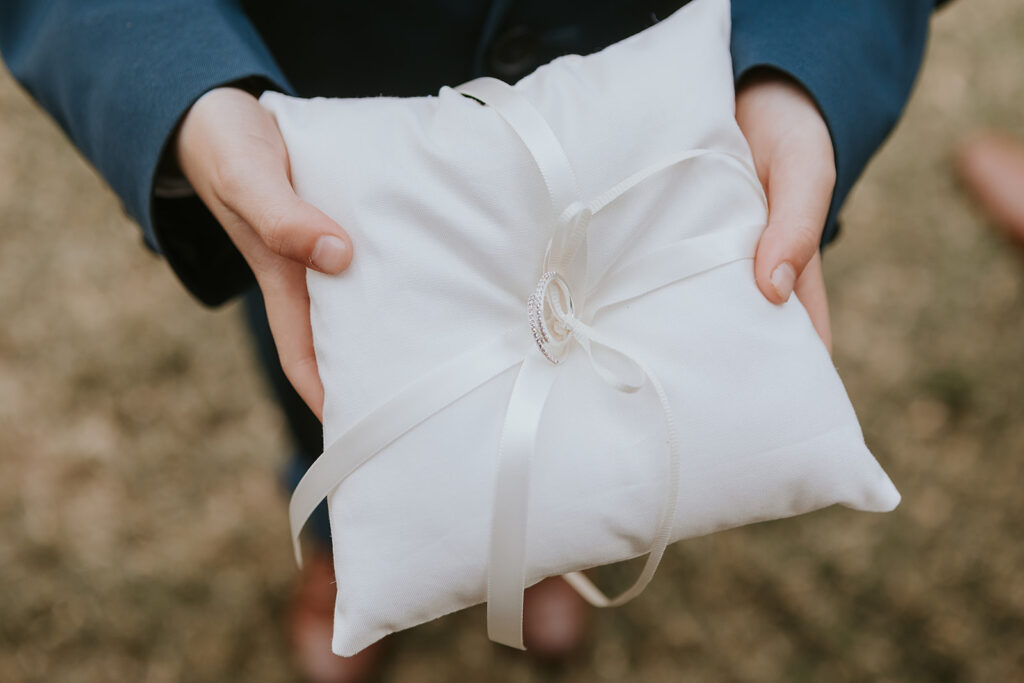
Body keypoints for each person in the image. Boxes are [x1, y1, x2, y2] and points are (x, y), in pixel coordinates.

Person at [0, 1, 938, 681]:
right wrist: (188, 93)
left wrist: (796, 71)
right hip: (327, 85)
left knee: (629, 425)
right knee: (329, 370)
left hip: (652, 96)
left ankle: (551, 550)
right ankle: (345, 542)